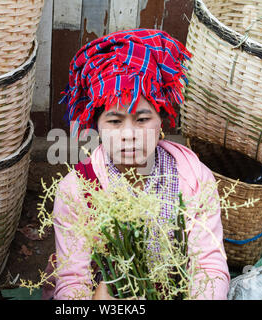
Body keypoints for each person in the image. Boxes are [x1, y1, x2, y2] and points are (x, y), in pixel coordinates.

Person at [46, 29, 230, 300]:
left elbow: (209, 265)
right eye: (114, 121)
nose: (129, 134)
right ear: (97, 125)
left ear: (162, 121)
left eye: (142, 120)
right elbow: (72, 279)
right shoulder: (77, 190)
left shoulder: (193, 178)